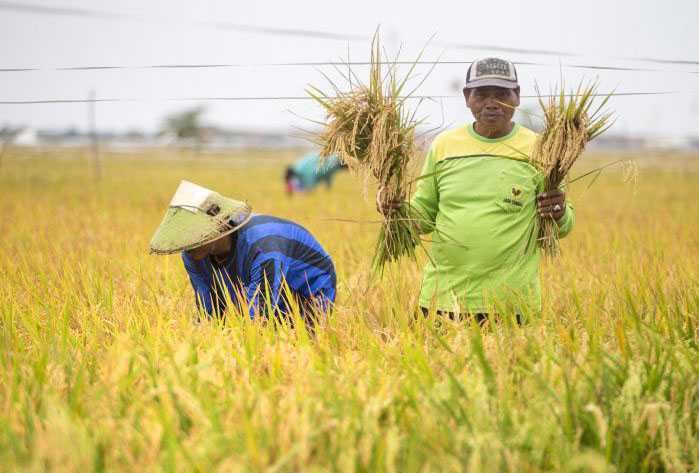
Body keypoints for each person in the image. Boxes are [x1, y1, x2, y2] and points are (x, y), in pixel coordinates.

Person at [382, 57, 575, 324]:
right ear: (467, 97)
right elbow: (423, 217)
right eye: (482, 94)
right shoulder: (444, 146)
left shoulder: (542, 150)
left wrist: (559, 211)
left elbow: (563, 226)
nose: (492, 103)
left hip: (511, 303)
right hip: (442, 298)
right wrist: (396, 209)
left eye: (502, 94)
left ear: (517, 96)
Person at [150, 180, 336, 326]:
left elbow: (260, 316)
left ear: (220, 225)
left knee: (287, 336)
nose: (188, 246)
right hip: (258, 283)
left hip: (307, 290)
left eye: (195, 235)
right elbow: (208, 308)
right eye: (185, 239)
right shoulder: (192, 254)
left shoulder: (262, 246)